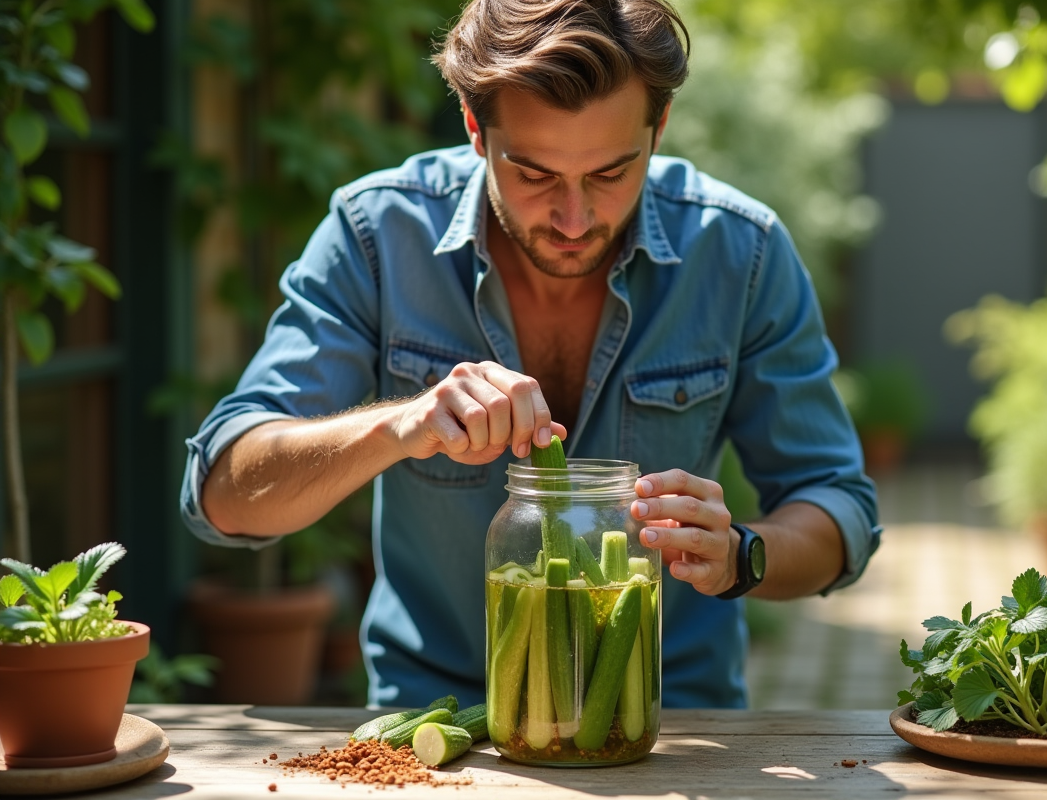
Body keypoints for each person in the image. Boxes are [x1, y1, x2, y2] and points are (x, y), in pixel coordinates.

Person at [180, 0, 880, 709]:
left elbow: (839, 509)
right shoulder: (377, 235)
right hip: (438, 719)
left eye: (611, 172)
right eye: (535, 173)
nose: (574, 219)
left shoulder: (740, 252)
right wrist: (402, 425)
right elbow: (223, 495)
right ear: (474, 128)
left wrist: (739, 555)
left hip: (676, 721)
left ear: (659, 126)